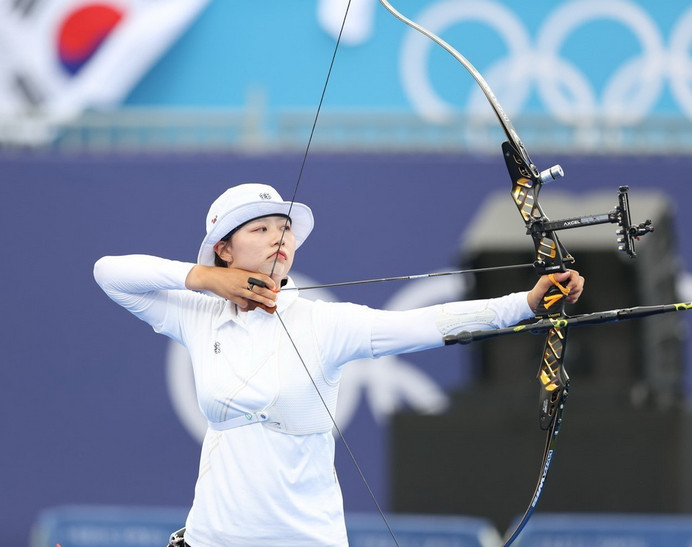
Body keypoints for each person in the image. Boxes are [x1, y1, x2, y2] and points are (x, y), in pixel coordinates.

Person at [93, 183, 584, 547]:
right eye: (259, 228)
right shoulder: (197, 314)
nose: (277, 237)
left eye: (283, 228)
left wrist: (526, 303)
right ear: (224, 248)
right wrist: (204, 279)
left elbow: (428, 323)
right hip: (212, 540)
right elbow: (109, 273)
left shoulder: (325, 323)